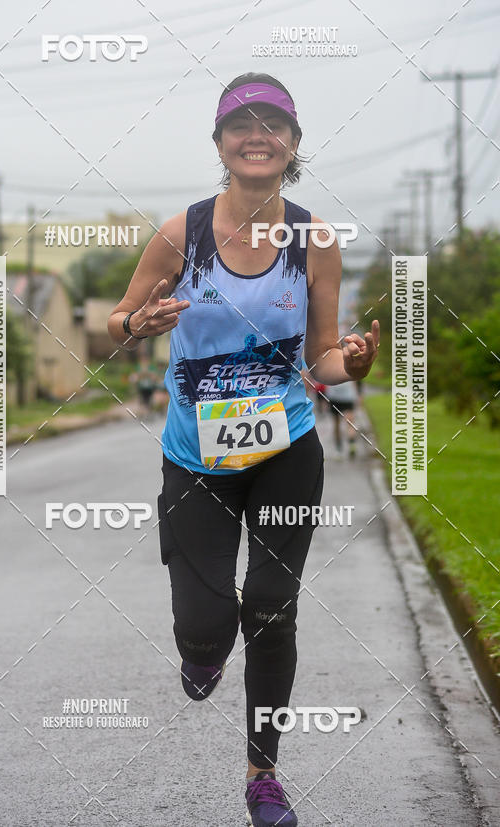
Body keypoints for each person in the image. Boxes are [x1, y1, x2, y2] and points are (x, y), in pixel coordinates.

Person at [107, 72, 379, 827]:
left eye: (273, 125)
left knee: (269, 605)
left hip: (285, 449)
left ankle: (264, 775)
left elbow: (322, 357)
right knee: (206, 626)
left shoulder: (314, 240)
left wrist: (353, 365)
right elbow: (117, 320)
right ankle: (203, 649)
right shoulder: (180, 234)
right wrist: (138, 325)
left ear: (293, 144)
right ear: (221, 142)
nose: (257, 136)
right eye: (241, 125)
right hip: (196, 458)